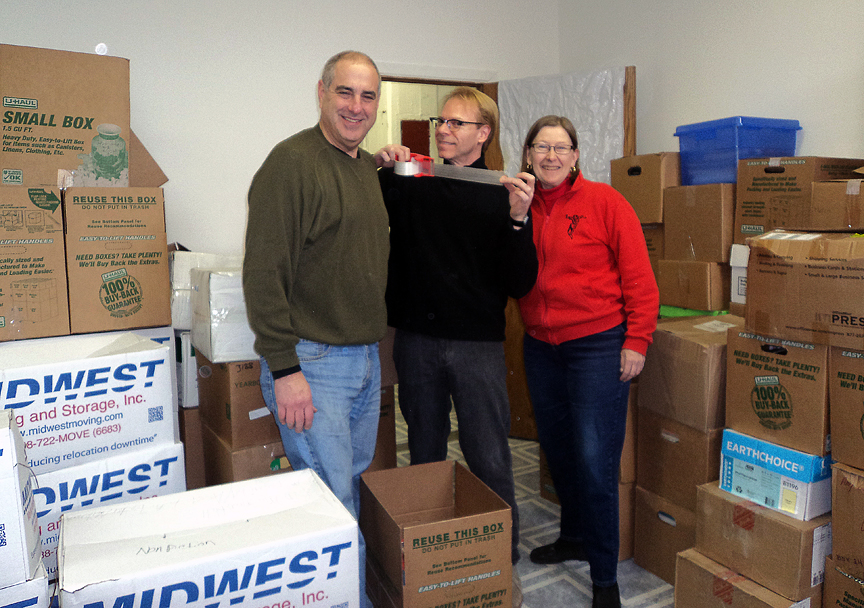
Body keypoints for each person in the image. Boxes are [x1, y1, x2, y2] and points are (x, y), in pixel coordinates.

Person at [374, 87, 537, 608]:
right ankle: (430, 554)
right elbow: (363, 200)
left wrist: (518, 219)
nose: (443, 130)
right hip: (416, 342)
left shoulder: (502, 192)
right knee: (424, 450)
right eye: (440, 121)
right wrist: (379, 162)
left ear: (483, 133)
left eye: (456, 123)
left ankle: (501, 556)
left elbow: (521, 281)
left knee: (488, 454)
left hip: (477, 347)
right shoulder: (412, 179)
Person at [242, 50, 389, 608]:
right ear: (322, 92)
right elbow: (263, 273)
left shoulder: (364, 166)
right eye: (345, 92)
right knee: (333, 503)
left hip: (362, 359)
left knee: (344, 487)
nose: (356, 106)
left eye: (368, 96)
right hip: (313, 364)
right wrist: (285, 370)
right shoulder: (291, 163)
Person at [516, 116, 659, 608]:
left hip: (596, 345)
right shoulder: (518, 205)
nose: (551, 156)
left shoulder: (605, 203)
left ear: (576, 156)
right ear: (528, 154)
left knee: (596, 462)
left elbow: (639, 278)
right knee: (559, 451)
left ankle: (604, 579)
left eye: (562, 148)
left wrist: (636, 340)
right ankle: (574, 536)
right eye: (542, 147)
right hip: (541, 346)